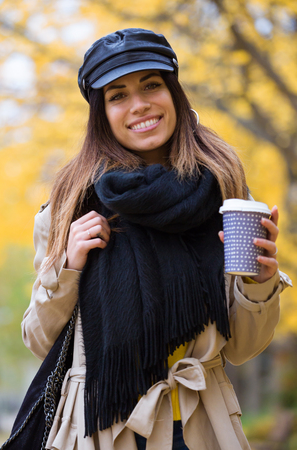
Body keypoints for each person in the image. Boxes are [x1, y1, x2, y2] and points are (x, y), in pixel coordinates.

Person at [22, 28, 292, 450]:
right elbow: (41, 342)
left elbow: (242, 348)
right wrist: (69, 266)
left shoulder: (227, 195)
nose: (140, 104)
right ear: (101, 113)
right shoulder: (69, 208)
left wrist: (260, 282)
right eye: (118, 95)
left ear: (174, 93)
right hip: (103, 431)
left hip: (204, 427)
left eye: (151, 85)